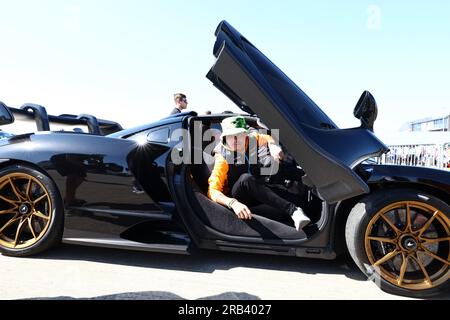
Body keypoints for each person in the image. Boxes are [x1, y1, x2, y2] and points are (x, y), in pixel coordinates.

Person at [207, 116, 310, 231]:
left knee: (295, 189)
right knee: (246, 179)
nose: (235, 140)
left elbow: (266, 137)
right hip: (237, 196)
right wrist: (233, 203)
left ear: (245, 134)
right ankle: (293, 211)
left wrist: (273, 146)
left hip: (255, 187)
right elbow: (213, 191)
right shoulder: (222, 157)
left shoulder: (251, 139)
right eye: (230, 136)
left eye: (238, 135)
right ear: (224, 137)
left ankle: (311, 184)